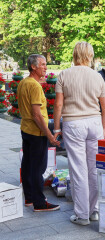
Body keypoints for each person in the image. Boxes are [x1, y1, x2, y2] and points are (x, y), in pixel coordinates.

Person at [53, 42, 105, 225]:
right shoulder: (97, 77)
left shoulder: (64, 74)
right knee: (94, 169)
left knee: (78, 169)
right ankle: (94, 210)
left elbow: (59, 105)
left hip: (73, 123)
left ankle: (82, 215)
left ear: (74, 54)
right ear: (90, 55)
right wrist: (102, 128)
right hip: (94, 123)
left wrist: (56, 128)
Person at [17, 54, 60, 212]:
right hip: (36, 132)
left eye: (45, 64)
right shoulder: (34, 85)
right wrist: (49, 135)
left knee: (28, 164)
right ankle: (39, 203)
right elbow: (37, 114)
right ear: (33, 67)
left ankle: (29, 197)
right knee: (38, 168)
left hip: (26, 129)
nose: (45, 67)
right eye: (42, 64)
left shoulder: (24, 82)